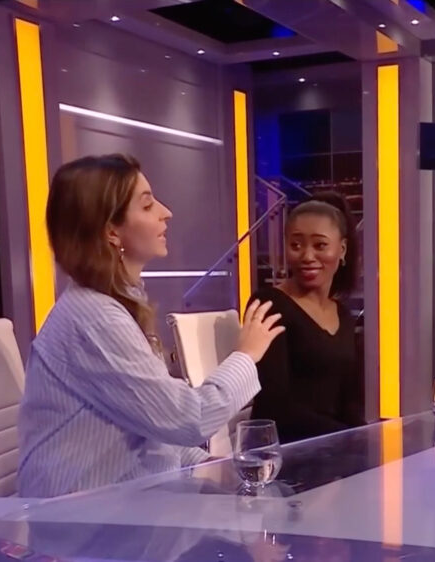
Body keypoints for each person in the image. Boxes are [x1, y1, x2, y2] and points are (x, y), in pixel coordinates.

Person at [17, 154, 284, 498]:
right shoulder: (95, 318)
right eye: (147, 205)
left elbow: (153, 430)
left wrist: (209, 465)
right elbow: (190, 418)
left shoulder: (116, 305)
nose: (165, 212)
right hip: (81, 518)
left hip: (129, 504)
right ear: (111, 231)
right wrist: (246, 354)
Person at [249, 192, 364, 442]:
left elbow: (350, 401)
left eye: (320, 245)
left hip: (333, 448)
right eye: (296, 245)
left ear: (342, 249)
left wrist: (365, 439)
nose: (307, 256)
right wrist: (347, 439)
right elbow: (274, 405)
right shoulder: (269, 304)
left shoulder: (343, 315)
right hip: (283, 449)